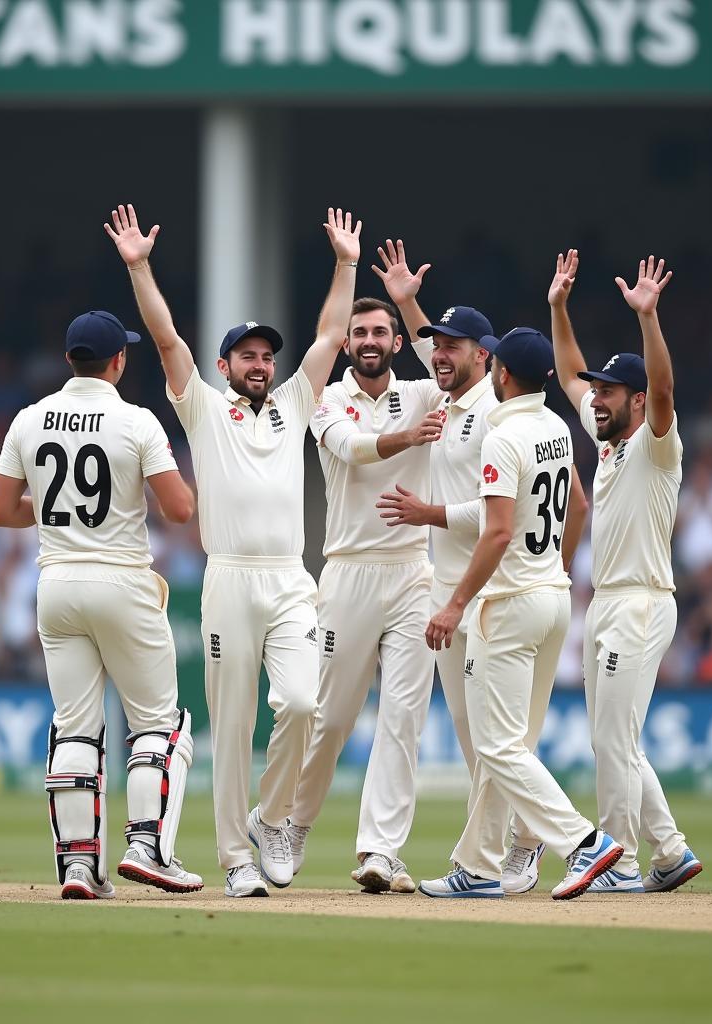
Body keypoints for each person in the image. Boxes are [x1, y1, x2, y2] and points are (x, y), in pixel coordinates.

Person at [106, 202, 359, 898]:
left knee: (306, 703)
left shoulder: (296, 403)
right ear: (224, 366)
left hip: (288, 580)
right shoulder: (204, 407)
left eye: (266, 355)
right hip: (229, 579)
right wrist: (140, 268)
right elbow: (164, 340)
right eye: (247, 355)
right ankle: (234, 858)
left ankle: (271, 817)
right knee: (235, 723)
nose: (261, 363)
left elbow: (332, 334)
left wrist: (345, 263)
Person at [374, 241, 586, 895]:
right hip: (457, 588)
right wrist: (409, 303)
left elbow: (565, 500)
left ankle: (507, 855)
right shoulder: (456, 392)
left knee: (500, 741)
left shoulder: (501, 412)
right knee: (481, 743)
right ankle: (510, 848)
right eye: (435, 344)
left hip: (495, 594)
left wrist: (433, 514)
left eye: (454, 346)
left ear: (487, 360)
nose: (438, 353)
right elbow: (429, 350)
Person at [0, 310, 203, 900]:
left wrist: (62, 511)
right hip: (121, 581)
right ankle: (146, 847)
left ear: (67, 361)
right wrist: (119, 501)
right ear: (119, 361)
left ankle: (79, 865)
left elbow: (1, 511)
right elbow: (180, 509)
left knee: (75, 728)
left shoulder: (29, 419)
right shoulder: (136, 420)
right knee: (160, 725)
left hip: (55, 585)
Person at [420, 327, 621, 901]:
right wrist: (555, 567)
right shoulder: (557, 426)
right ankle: (480, 867)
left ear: (501, 374)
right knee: (510, 744)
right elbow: (578, 504)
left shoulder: (502, 437)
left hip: (507, 607)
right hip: (553, 599)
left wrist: (456, 602)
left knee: (498, 747)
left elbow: (498, 531)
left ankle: (585, 843)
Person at [548, 250, 703, 893]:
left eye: (609, 392)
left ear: (635, 400)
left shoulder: (654, 443)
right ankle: (668, 854)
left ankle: (621, 862)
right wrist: (558, 307)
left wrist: (649, 319)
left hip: (640, 601)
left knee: (613, 742)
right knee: (615, 739)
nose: (596, 399)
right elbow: (566, 377)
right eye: (599, 391)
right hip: (607, 603)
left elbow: (664, 390)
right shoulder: (610, 442)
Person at [286, 295, 444, 894]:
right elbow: (352, 450)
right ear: (347, 343)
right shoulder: (326, 400)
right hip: (348, 571)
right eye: (361, 333)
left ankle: (380, 850)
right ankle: (291, 824)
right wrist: (407, 438)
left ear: (398, 343)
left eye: (382, 331)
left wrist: (408, 300)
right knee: (330, 718)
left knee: (403, 718)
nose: (371, 340)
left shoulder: (425, 393)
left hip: (411, 571)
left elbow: (453, 367)